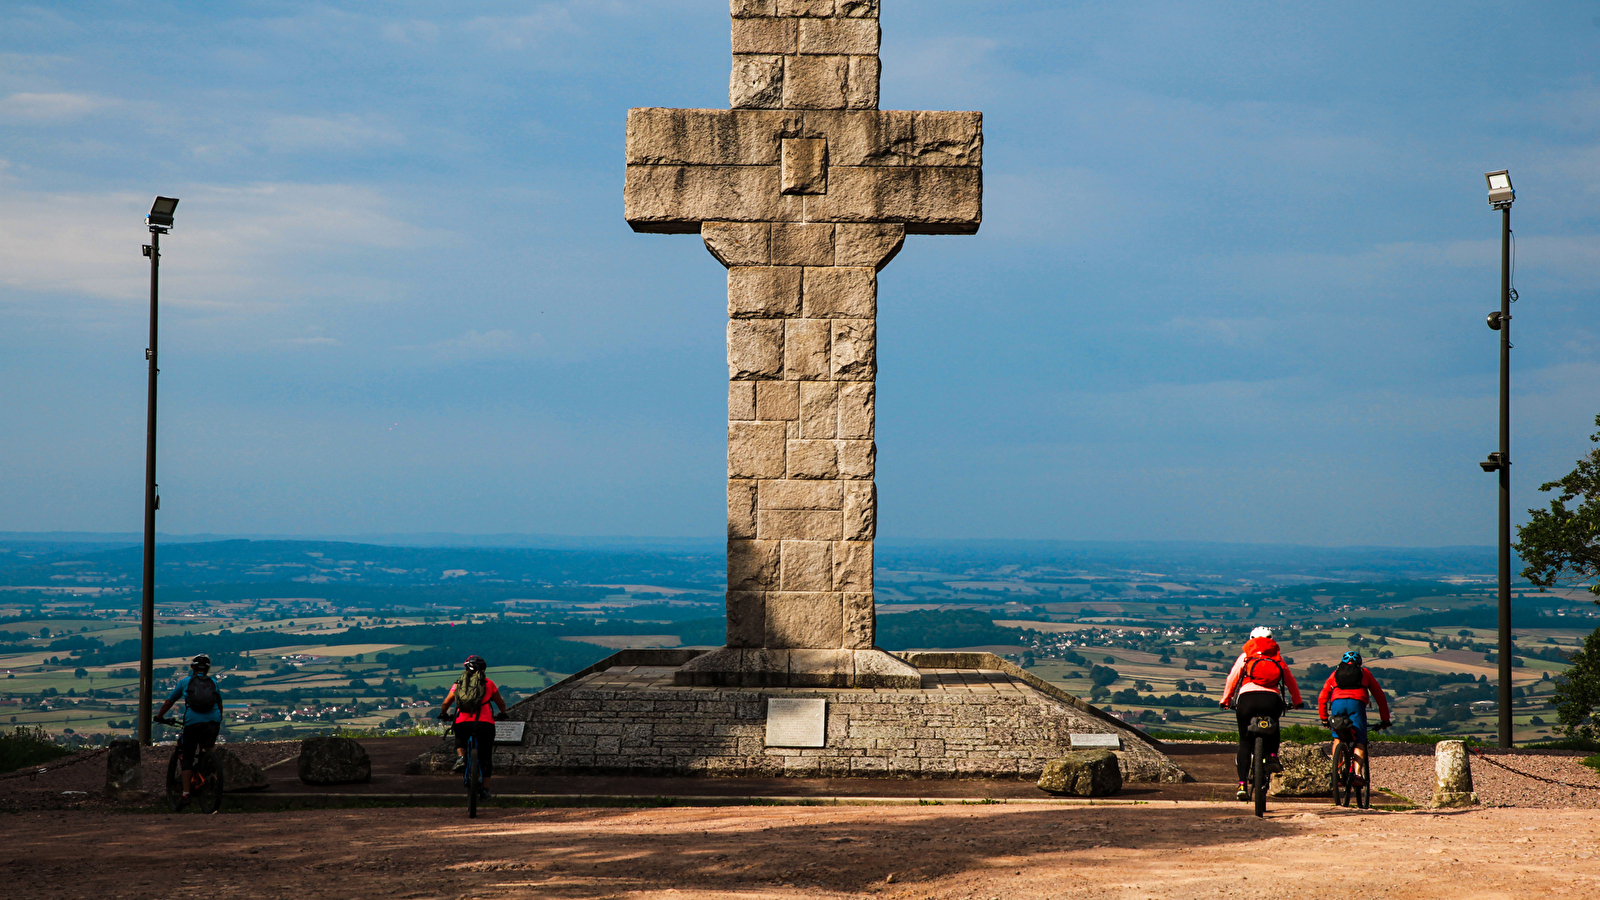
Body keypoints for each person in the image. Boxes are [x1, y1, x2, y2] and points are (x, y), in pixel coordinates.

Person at [1220, 627, 1304, 801]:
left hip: (1247, 700)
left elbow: (1232, 678)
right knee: (1274, 727)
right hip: (1271, 700)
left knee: (1244, 742)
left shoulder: (1245, 657)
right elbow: (1290, 681)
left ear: (1250, 639)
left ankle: (1242, 784)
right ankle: (1272, 755)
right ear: (1272, 640)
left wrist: (1226, 700)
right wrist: (1297, 701)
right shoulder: (1277, 658)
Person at [152, 653, 223, 809]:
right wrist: (218, 719)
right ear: (208, 669)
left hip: (193, 723)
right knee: (209, 745)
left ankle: (185, 794)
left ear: (192, 668)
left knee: (187, 757)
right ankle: (210, 768)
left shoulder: (185, 682)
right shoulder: (214, 683)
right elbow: (219, 704)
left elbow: (169, 702)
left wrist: (159, 716)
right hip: (213, 722)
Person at [439, 655, 508, 800]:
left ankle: (461, 757)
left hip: (462, 722)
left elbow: (446, 702)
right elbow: (500, 703)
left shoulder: (458, 683)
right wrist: (502, 713)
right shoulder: (489, 683)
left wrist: (443, 714)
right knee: (486, 757)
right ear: (483, 669)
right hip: (485, 724)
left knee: (460, 739)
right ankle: (485, 790)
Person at [1318, 650, 1392, 783]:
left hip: (1337, 705)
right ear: (1359, 663)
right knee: (1359, 740)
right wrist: (1385, 719)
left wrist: (1324, 718)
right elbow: (1380, 696)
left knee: (1338, 738)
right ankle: (1357, 775)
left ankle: (1337, 772)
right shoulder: (1365, 673)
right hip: (1356, 705)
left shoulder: (1334, 674)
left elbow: (1322, 697)